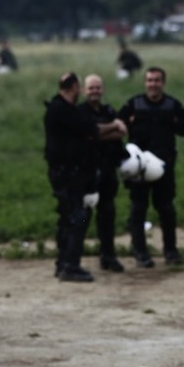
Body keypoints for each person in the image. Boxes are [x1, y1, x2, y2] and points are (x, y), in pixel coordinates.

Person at [43, 71, 126, 282]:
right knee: (77, 218)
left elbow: (92, 133)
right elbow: (91, 131)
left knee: (69, 217)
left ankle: (64, 262)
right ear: (74, 88)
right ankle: (70, 264)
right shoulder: (64, 111)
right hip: (68, 176)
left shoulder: (62, 109)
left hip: (71, 174)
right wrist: (115, 126)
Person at [117, 66, 184, 267]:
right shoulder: (133, 105)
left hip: (164, 168)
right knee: (138, 210)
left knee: (167, 210)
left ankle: (171, 251)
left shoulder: (172, 105)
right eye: (150, 80)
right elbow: (116, 128)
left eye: (157, 80)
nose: (153, 84)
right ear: (145, 83)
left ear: (163, 83)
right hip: (138, 169)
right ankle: (140, 252)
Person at [78, 74, 128, 272]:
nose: (95, 91)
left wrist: (100, 132)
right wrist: (108, 128)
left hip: (107, 170)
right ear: (84, 90)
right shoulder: (80, 112)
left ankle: (108, 256)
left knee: (107, 213)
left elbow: (120, 133)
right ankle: (73, 257)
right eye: (91, 88)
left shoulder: (108, 110)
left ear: (103, 90)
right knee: (83, 214)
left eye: (98, 87)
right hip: (87, 171)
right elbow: (89, 134)